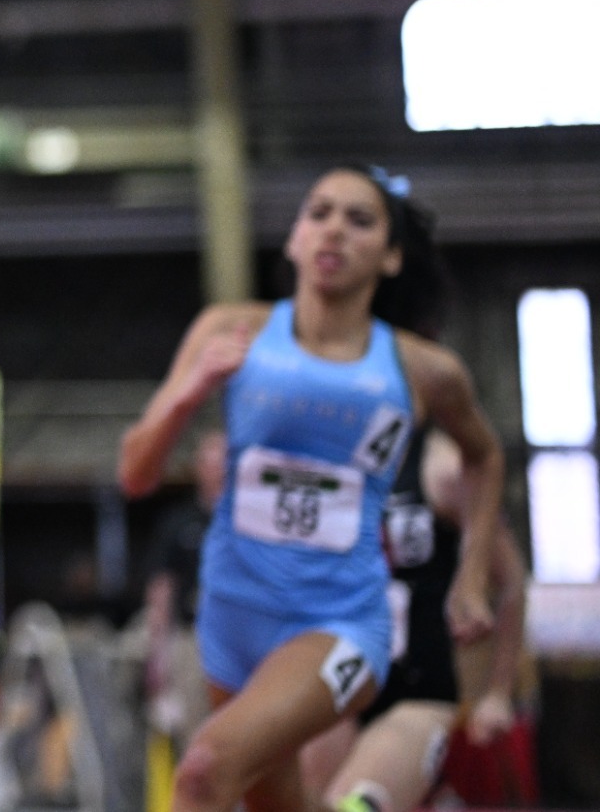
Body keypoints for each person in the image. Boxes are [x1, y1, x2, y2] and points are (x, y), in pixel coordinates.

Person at [118, 166, 506, 812]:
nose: (333, 227)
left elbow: (486, 455)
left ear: (389, 255)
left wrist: (470, 577)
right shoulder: (230, 329)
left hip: (340, 624)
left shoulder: (420, 367)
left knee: (205, 769)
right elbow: (135, 472)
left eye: (359, 219)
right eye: (318, 211)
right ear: (294, 239)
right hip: (229, 620)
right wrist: (188, 393)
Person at [300, 429, 529, 812]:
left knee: (354, 805)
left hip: (417, 688)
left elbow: (511, 583)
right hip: (340, 681)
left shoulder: (441, 468)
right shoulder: (331, 461)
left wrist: (499, 692)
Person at [141, 430, 225, 745]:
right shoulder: (179, 523)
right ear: (198, 468)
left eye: (225, 461)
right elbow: (161, 588)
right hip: (193, 639)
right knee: (195, 731)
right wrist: (158, 652)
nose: (219, 469)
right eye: (212, 462)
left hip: (239, 637)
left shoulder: (246, 521)